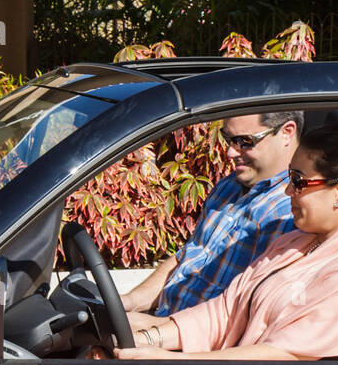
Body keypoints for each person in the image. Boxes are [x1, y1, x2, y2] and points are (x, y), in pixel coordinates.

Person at [115, 124, 338, 362]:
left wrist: (175, 362)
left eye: (298, 181)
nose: (288, 190)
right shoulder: (297, 241)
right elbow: (226, 311)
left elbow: (283, 356)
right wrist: (147, 340)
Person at [119, 111, 302, 316]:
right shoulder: (229, 186)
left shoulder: (293, 211)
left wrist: (155, 334)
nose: (230, 153)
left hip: (192, 342)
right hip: (164, 325)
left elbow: (245, 317)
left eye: (244, 141)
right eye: (228, 139)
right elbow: (188, 257)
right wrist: (129, 302)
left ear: (287, 133)